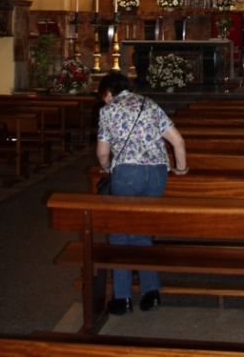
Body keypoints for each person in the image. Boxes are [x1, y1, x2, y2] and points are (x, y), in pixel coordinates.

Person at [96, 72, 189, 314]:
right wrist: (180, 169)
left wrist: (106, 168)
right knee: (142, 231)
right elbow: (178, 141)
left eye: (103, 97)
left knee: (119, 234)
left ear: (107, 93)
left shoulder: (108, 111)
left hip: (127, 172)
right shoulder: (150, 104)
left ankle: (123, 297)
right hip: (157, 172)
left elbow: (103, 152)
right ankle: (151, 292)